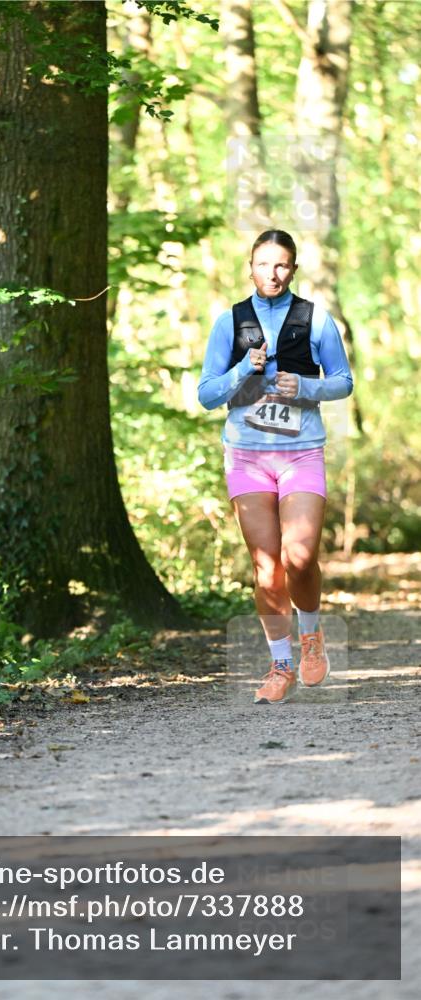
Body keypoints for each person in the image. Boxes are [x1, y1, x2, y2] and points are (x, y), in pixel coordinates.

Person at [198, 230, 353, 704]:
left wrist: (305, 388)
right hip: (246, 456)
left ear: (294, 268)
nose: (273, 273)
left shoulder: (316, 319)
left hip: (301, 451)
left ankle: (311, 637)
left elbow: (343, 382)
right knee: (267, 569)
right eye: (264, 264)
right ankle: (280, 664)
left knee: (299, 557)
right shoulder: (230, 322)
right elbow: (206, 395)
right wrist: (245, 369)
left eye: (282, 264)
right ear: (250, 267)